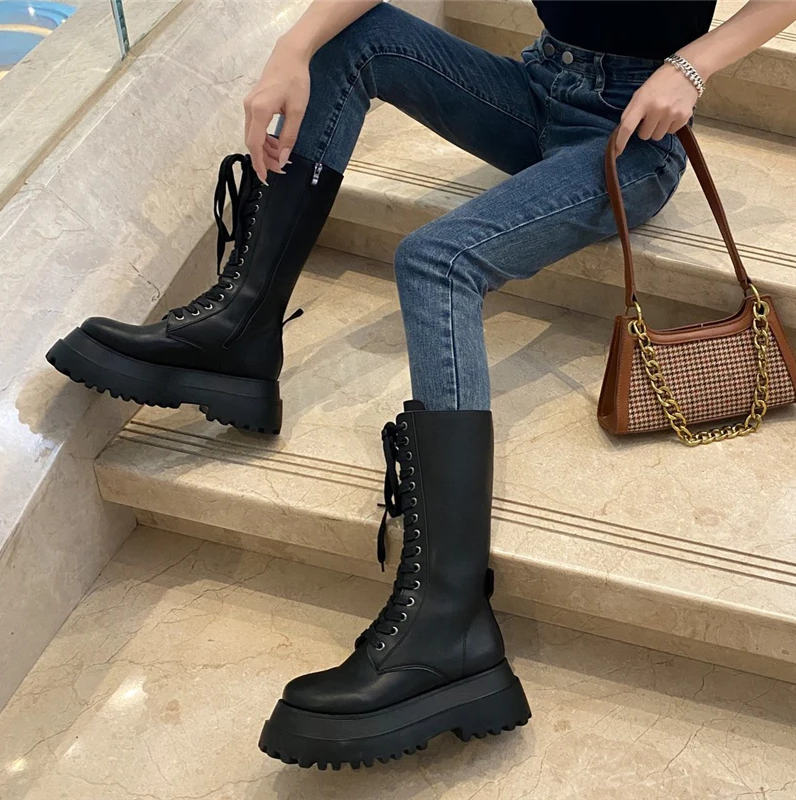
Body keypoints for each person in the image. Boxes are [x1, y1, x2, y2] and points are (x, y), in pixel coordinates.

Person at [48, 0, 796, 770]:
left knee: (438, 260)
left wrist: (691, 67)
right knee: (356, 37)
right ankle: (240, 328)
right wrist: (292, 48)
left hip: (633, 136)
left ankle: (451, 620)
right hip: (537, 87)